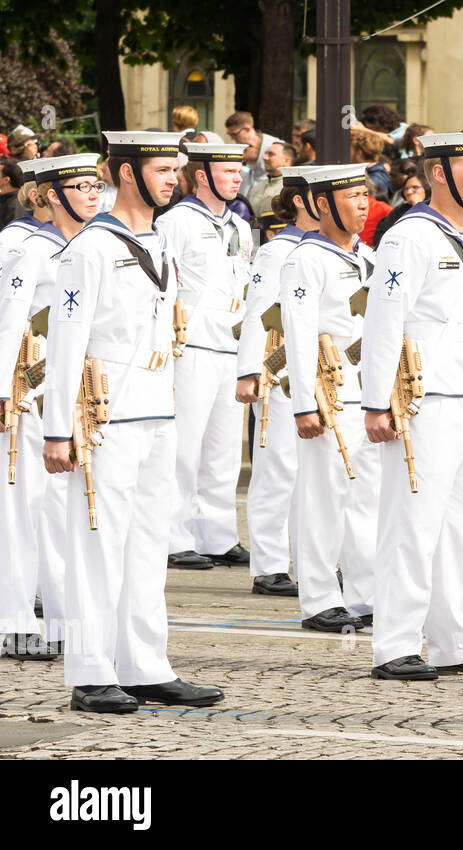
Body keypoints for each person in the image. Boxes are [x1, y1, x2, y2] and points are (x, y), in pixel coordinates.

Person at [42, 130, 224, 712]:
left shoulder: (160, 242)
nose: (173, 178)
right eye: (162, 169)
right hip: (104, 415)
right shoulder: (90, 248)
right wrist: (56, 429)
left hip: (156, 407)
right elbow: (66, 339)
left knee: (147, 545)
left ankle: (145, 664)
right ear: (125, 173)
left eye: (175, 169)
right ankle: (91, 672)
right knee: (98, 543)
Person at [361, 132, 463, 680]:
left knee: (460, 526)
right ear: (440, 173)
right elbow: (384, 319)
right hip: (422, 399)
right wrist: (377, 399)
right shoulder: (408, 236)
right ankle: (394, 643)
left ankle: (455, 637)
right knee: (412, 522)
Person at [0, 153, 103, 662]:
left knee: (65, 514)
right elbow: (9, 322)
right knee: (21, 509)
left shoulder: (92, 248)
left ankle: (67, 623)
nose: (92, 194)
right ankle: (13, 621)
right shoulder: (27, 248)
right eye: (80, 186)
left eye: (95, 185)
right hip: (27, 393)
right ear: (49, 195)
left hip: (71, 396)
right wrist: (3, 393)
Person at [280, 164, 381, 632]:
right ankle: (318, 598)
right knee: (324, 495)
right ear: (322, 204)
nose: (362, 204)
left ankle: (364, 593)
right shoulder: (307, 258)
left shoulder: (367, 257)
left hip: (368, 388)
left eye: (366, 195)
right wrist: (304, 402)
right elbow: (297, 334)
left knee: (366, 495)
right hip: (329, 386)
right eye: (351, 196)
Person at [155, 142, 253, 571]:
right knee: (184, 448)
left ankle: (217, 534)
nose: (237, 178)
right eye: (228, 170)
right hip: (190, 346)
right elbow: (166, 283)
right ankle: (174, 536)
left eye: (239, 170)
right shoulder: (175, 221)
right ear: (201, 175)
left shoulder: (241, 226)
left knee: (225, 449)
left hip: (230, 346)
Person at [232, 166, 319, 599]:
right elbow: (257, 311)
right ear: (303, 201)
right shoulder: (276, 251)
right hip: (280, 367)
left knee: (315, 475)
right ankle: (269, 565)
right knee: (278, 467)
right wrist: (251, 369)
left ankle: (311, 565)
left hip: (323, 372)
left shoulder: (338, 249)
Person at [225, 111, 282, 187]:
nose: (232, 138)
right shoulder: (240, 145)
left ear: (247, 129)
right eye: (230, 134)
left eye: (234, 134)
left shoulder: (276, 145)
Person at [248, 140, 294, 218]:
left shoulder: (292, 189)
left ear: (287, 161)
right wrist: (255, 231)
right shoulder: (257, 187)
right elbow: (252, 221)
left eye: (271, 154)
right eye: (265, 153)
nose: (264, 157)